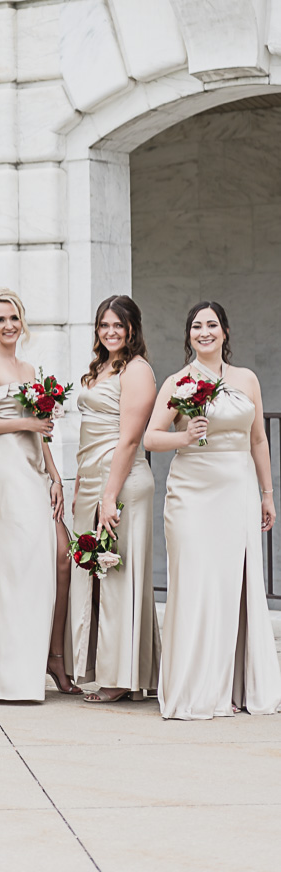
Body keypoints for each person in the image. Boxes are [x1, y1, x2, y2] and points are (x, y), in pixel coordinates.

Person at [146, 301, 281, 720]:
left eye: (212, 325)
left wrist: (267, 492)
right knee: (196, 584)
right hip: (191, 494)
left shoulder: (247, 380)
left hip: (236, 492)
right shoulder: (178, 381)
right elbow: (151, 437)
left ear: (225, 332)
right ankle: (193, 687)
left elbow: (258, 440)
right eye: (196, 326)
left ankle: (233, 684)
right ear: (189, 335)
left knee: (231, 586)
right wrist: (184, 438)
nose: (204, 332)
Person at [0, 288, 78, 701]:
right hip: (4, 470)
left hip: (34, 468)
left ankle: (49, 655)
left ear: (22, 321)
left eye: (13, 318)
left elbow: (41, 426)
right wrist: (23, 427)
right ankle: (10, 677)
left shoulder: (29, 368)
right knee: (12, 567)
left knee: (57, 555)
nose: (8, 325)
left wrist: (56, 474)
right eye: (0, 319)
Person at [71, 295, 160, 703]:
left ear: (132, 329)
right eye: (104, 325)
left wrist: (109, 496)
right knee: (95, 576)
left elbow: (128, 440)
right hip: (92, 480)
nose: (110, 332)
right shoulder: (102, 367)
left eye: (118, 326)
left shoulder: (138, 370)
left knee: (118, 576)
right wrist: (80, 488)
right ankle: (104, 666)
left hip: (121, 482)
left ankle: (120, 677)